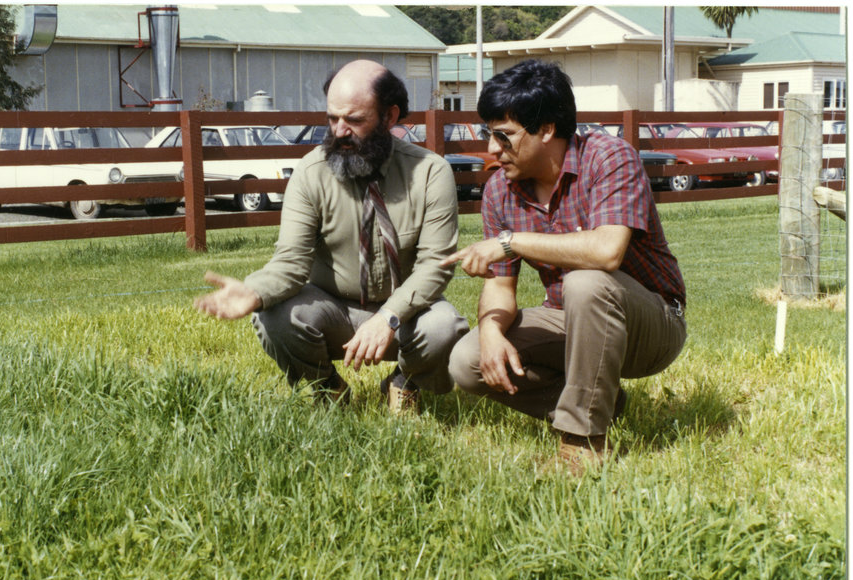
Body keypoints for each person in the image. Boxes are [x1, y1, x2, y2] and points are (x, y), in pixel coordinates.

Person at [441, 59, 687, 475]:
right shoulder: (500, 190)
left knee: (586, 282)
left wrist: (509, 241)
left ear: (548, 130)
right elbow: (502, 287)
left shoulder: (609, 158)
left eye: (505, 136)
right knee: (467, 361)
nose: (491, 149)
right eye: (489, 134)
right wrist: (489, 331)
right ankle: (601, 399)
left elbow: (608, 251)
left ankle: (582, 442)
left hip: (652, 324)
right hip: (568, 318)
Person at [195, 60, 469, 413]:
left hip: (405, 314)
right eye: (332, 118)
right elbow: (290, 263)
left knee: (445, 327)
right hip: (334, 309)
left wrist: (388, 316)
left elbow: (436, 266)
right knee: (274, 316)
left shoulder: (431, 172)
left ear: (390, 116)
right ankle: (328, 387)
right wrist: (254, 290)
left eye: (354, 120)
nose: (339, 131)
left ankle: (404, 382)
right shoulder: (311, 173)